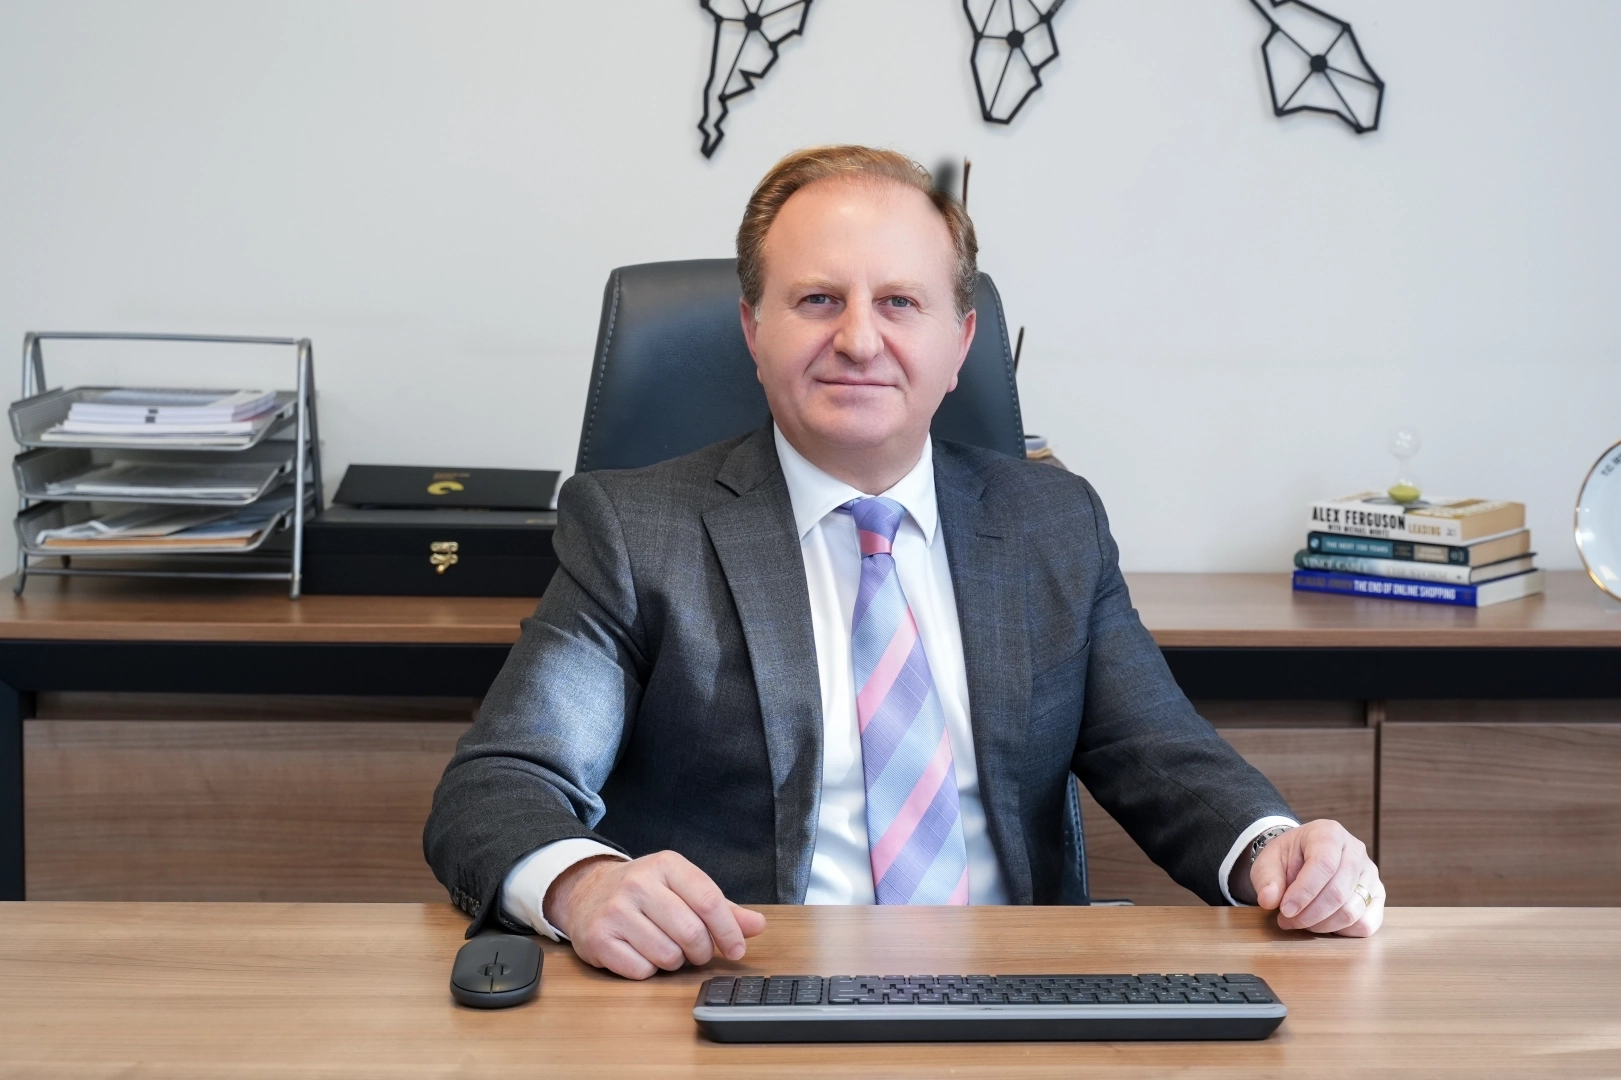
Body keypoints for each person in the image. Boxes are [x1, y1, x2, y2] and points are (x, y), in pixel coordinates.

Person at [425, 145, 1384, 980]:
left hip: (1012, 1000)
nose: (857, 339)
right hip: (738, 992)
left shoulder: (1052, 523)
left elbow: (1160, 754)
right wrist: (585, 883)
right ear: (753, 331)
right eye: (816, 300)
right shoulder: (639, 531)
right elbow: (500, 782)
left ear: (959, 342)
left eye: (898, 302)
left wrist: (1274, 848)